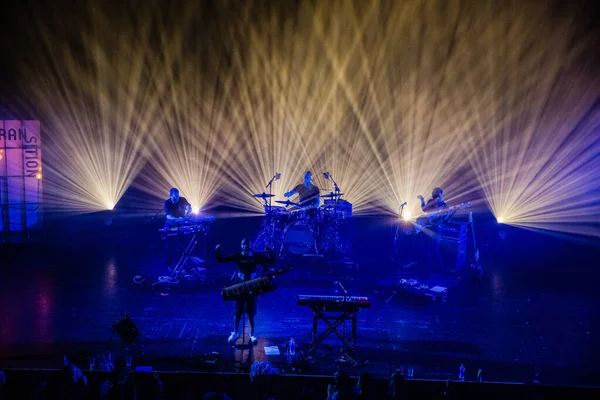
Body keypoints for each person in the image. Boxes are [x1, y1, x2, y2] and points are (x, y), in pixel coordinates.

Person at [215, 238, 275, 345]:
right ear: (241, 245)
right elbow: (221, 260)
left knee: (251, 312)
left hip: (252, 287)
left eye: (247, 244)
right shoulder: (237, 256)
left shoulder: (256, 256)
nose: (245, 246)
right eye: (243, 244)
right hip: (240, 288)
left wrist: (271, 252)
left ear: (250, 245)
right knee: (237, 311)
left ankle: (252, 333)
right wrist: (217, 251)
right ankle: (235, 333)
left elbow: (271, 261)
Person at [416, 187, 455, 274]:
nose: (437, 199)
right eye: (436, 197)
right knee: (424, 250)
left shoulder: (445, 206)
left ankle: (443, 271)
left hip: (436, 230)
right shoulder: (431, 202)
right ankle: (427, 271)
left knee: (434, 250)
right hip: (426, 228)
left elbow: (446, 220)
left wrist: (452, 212)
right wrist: (422, 199)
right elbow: (424, 209)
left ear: (441, 196)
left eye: (439, 197)